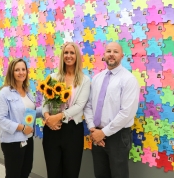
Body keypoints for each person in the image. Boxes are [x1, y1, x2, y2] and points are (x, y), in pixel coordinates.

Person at [84, 42, 140, 178]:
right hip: (96, 134)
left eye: (115, 51)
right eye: (108, 51)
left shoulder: (129, 80)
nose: (111, 54)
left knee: (118, 174)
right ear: (104, 55)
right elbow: (88, 105)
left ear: (122, 55)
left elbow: (127, 113)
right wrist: (93, 128)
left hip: (118, 137)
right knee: (100, 174)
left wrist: (104, 132)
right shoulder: (97, 78)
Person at [42, 42, 90, 178]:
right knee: (53, 171)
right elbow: (45, 102)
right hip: (52, 129)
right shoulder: (52, 78)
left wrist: (58, 117)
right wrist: (47, 118)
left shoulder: (84, 80)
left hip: (73, 131)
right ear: (62, 56)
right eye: (66, 53)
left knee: (71, 171)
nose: (68, 56)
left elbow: (79, 105)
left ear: (77, 56)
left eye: (72, 53)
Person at [0, 58, 36, 178]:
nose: (21, 72)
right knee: (14, 174)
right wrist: (22, 128)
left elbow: (30, 111)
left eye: (23, 69)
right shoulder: (5, 93)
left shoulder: (27, 91)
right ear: (11, 72)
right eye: (17, 70)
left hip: (28, 139)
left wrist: (48, 112)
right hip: (13, 142)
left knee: (26, 170)